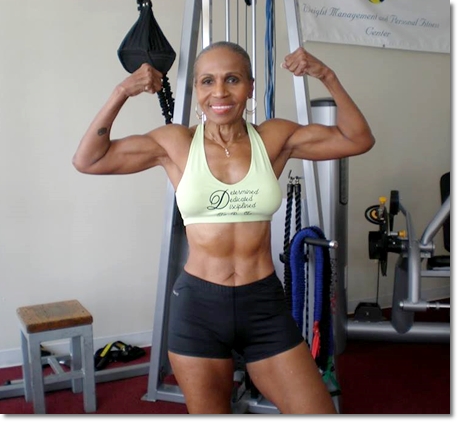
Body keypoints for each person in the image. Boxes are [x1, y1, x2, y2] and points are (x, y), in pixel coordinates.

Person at [73, 41, 375, 414]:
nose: (219, 92)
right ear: (197, 89)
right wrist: (122, 91)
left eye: (232, 79)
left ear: (249, 86)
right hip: (199, 308)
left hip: (263, 304)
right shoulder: (176, 143)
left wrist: (327, 76)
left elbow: (358, 139)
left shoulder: (273, 138)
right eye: (207, 81)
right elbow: (88, 160)